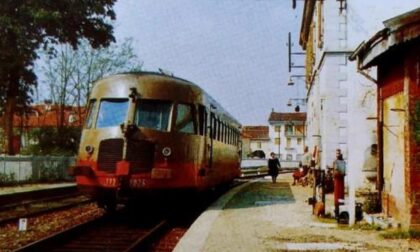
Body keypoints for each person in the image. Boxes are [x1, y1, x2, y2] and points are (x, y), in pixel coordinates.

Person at [333, 149, 346, 217]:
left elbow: (337, 172)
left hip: (339, 181)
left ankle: (338, 211)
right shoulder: (341, 162)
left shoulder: (339, 162)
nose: (337, 155)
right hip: (338, 181)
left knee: (339, 196)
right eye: (337, 153)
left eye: (338, 153)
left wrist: (336, 172)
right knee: (338, 196)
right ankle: (337, 210)